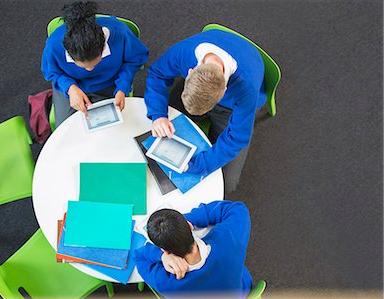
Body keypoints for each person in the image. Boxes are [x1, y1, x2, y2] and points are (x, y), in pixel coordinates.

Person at [144, 29, 266, 194]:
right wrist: (158, 115)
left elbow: (237, 139)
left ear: (224, 91)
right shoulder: (184, 53)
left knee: (227, 182)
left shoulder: (245, 88)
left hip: (229, 107)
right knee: (153, 133)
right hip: (203, 87)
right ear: (190, 72)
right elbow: (157, 74)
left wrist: (200, 166)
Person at [41, 1, 149, 127]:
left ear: (103, 46)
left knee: (111, 128)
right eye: (83, 66)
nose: (90, 69)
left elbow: (134, 60)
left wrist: (123, 86)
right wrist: (70, 88)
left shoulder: (120, 33)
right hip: (71, 85)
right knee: (67, 127)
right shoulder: (53, 46)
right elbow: (52, 72)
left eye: (94, 63)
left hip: (109, 84)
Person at [134, 200, 253, 298]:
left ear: (165, 250)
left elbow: (139, 257)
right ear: (190, 226)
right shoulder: (228, 242)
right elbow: (237, 209)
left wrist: (161, 256)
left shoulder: (166, 282)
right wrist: (189, 219)